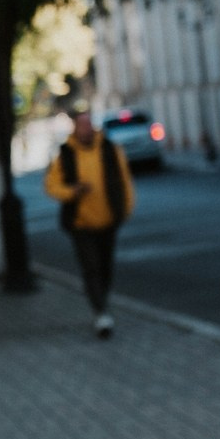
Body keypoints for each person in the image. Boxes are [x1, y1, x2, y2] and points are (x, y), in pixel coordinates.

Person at [43, 106, 136, 338]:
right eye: (81, 124)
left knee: (105, 267)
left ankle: (102, 302)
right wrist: (72, 191)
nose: (86, 128)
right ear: (75, 127)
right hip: (81, 224)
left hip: (108, 220)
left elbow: (124, 180)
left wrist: (126, 209)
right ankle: (101, 312)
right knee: (91, 267)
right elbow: (51, 185)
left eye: (88, 123)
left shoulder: (109, 149)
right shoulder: (66, 153)